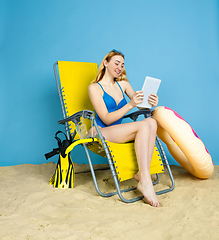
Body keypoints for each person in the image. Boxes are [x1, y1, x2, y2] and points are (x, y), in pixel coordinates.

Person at [88, 50, 160, 207]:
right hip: (101, 131)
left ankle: (143, 175)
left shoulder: (124, 85)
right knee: (143, 125)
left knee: (152, 123)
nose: (120, 67)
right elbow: (106, 118)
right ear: (106, 63)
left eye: (122, 64)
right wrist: (130, 105)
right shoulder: (94, 88)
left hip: (117, 131)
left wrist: (150, 101)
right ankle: (145, 182)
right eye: (116, 63)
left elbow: (140, 104)